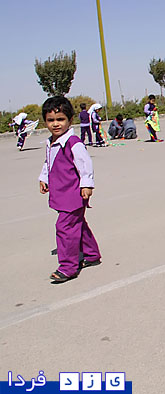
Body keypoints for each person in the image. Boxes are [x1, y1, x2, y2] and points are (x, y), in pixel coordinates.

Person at [38, 96, 101, 283]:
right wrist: (44, 178)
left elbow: (85, 164)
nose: (56, 124)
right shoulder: (51, 142)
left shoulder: (73, 142)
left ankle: (68, 267)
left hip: (73, 194)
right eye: (51, 120)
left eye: (60, 119)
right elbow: (48, 163)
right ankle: (91, 254)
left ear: (70, 120)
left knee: (64, 227)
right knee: (77, 224)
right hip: (61, 193)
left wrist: (87, 184)